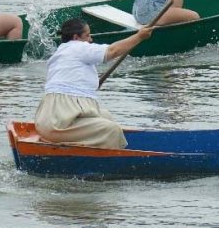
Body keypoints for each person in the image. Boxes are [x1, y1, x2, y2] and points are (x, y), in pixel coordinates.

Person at [34, 18, 153, 148]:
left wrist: (92, 85)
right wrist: (138, 37)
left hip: (49, 120)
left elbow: (73, 80)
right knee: (112, 129)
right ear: (75, 37)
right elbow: (112, 51)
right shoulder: (78, 47)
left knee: (106, 116)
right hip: (57, 125)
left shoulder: (61, 52)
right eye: (87, 35)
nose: (90, 39)